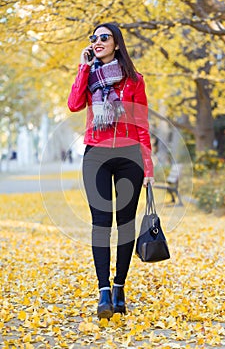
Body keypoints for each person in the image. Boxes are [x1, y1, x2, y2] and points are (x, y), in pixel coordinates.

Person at [68, 23, 154, 319]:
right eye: (94, 38)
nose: (98, 41)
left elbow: (142, 125)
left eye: (104, 37)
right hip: (96, 155)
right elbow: (74, 104)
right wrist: (82, 68)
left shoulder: (134, 80)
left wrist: (149, 166)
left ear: (117, 43)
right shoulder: (89, 75)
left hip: (130, 156)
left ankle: (119, 286)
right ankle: (103, 290)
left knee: (125, 224)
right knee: (101, 223)